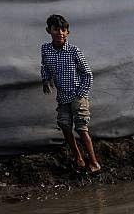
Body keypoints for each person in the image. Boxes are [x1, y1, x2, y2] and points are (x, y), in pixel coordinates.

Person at [41, 14, 102, 172]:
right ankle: (78, 157)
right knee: (65, 126)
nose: (60, 33)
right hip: (62, 96)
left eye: (63, 29)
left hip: (77, 94)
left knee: (81, 128)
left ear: (68, 32)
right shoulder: (46, 49)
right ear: (49, 30)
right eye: (56, 29)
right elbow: (44, 66)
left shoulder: (74, 51)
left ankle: (94, 162)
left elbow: (87, 74)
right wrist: (45, 80)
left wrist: (81, 94)